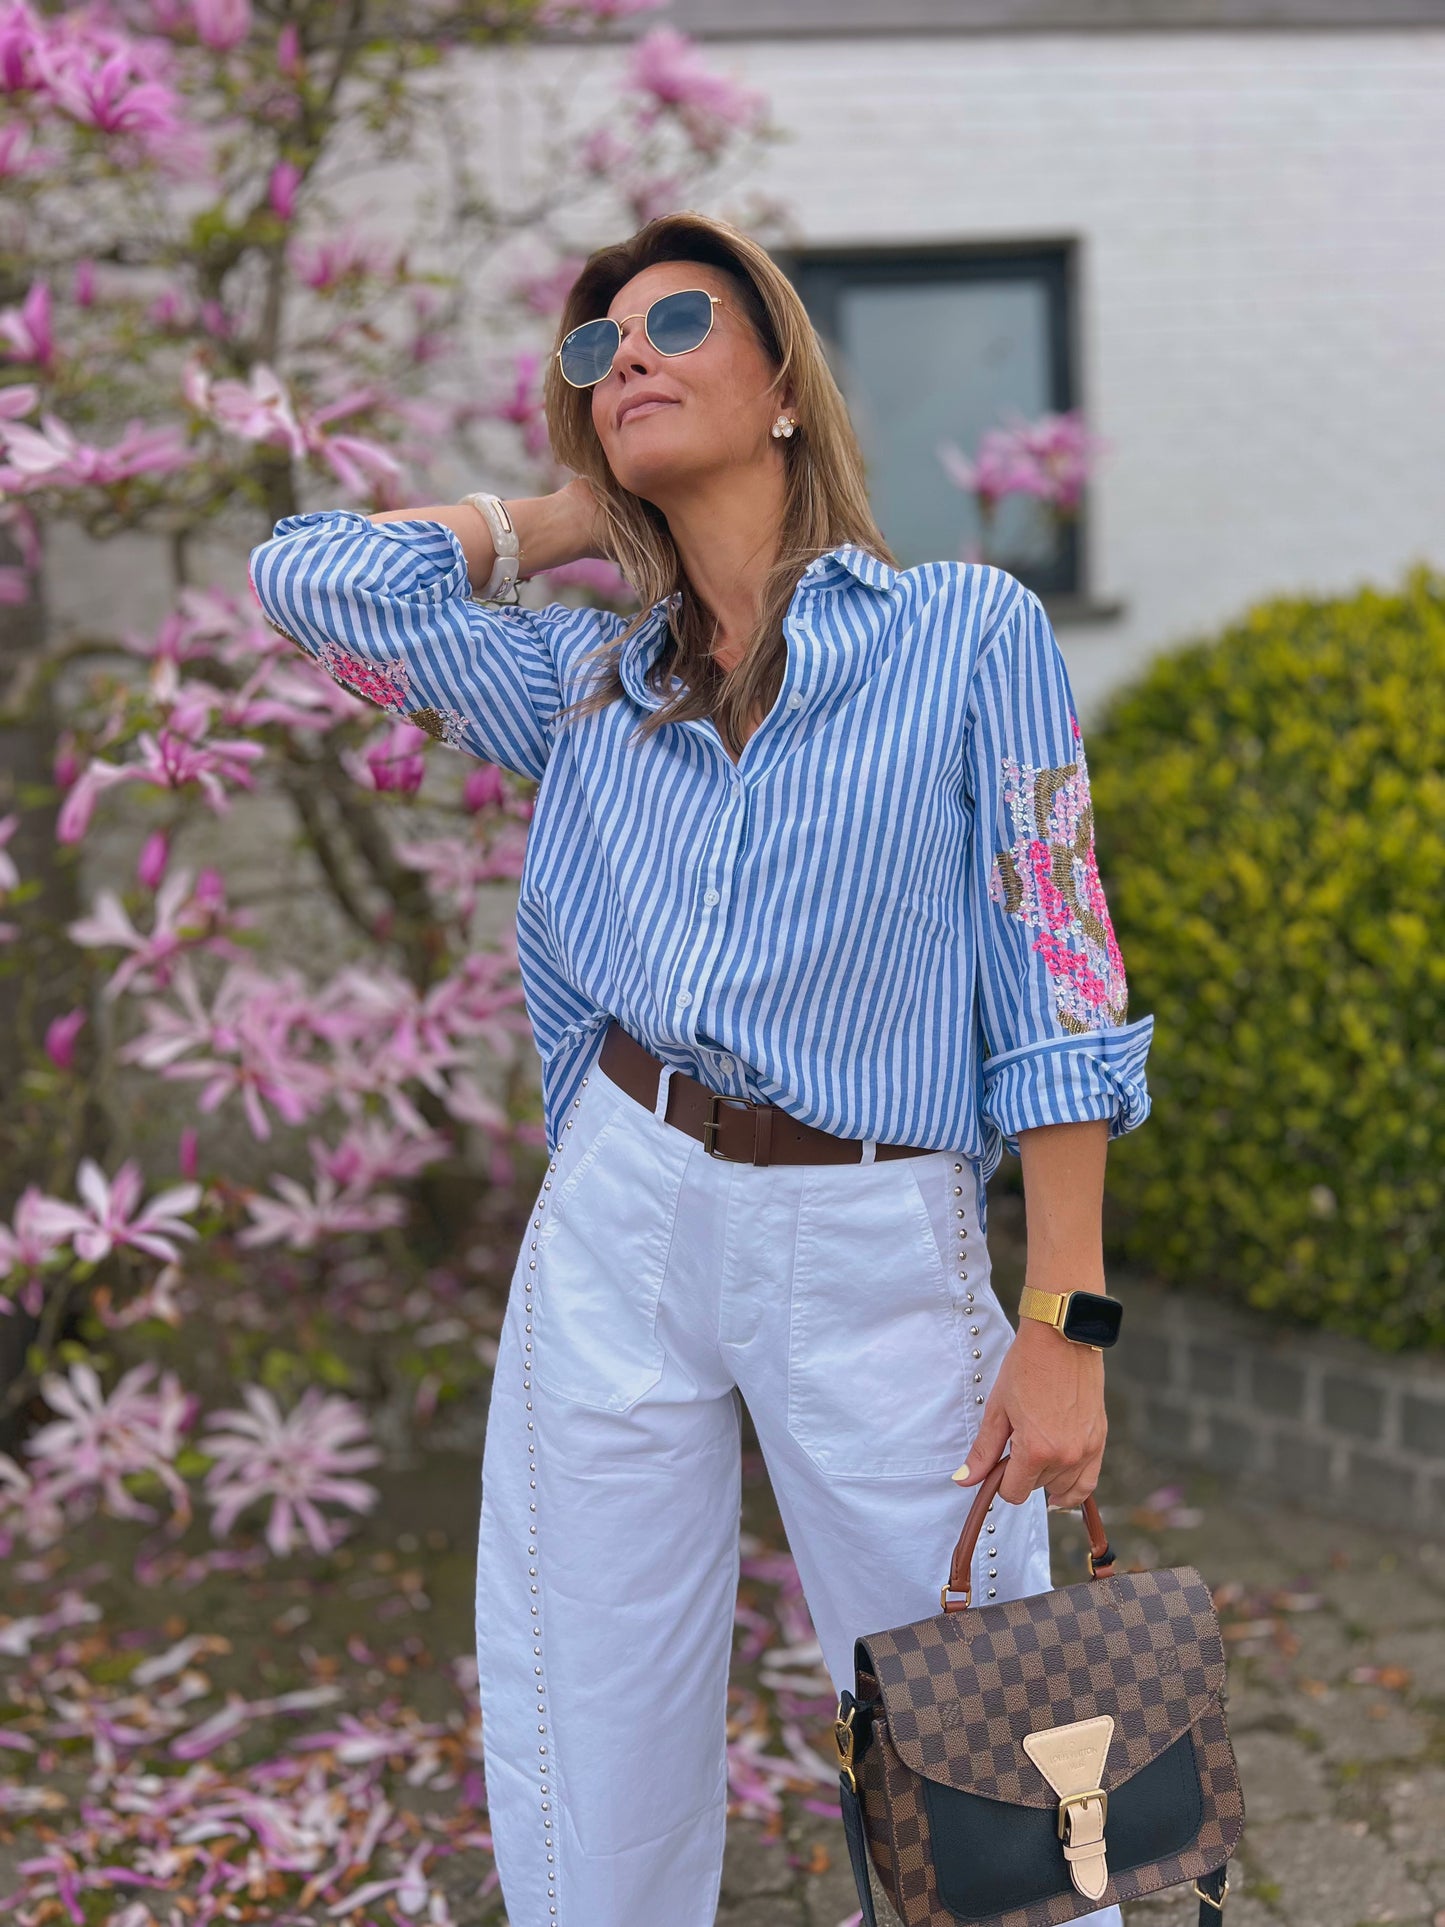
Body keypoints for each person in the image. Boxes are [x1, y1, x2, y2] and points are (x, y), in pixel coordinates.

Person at [247, 208, 1152, 1927]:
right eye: (594, 350)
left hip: (873, 1231)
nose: (629, 356)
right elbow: (312, 579)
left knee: (989, 1725)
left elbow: (1061, 968)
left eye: (675, 321)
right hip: (625, 1205)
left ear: (790, 386)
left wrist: (1065, 1323)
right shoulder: (585, 680)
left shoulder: (966, 632)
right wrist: (583, 511)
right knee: (584, 1690)